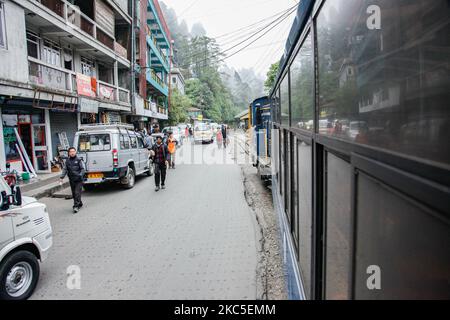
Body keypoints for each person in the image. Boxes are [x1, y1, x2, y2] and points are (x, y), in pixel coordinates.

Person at [60, 147, 86, 213]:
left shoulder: (79, 160)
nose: (72, 153)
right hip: (72, 180)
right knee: (74, 194)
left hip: (79, 180)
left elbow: (83, 169)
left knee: (77, 193)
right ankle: (79, 203)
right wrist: (61, 177)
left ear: (75, 152)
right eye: (71, 151)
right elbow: (65, 169)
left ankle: (75, 206)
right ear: (69, 153)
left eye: (73, 151)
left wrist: (80, 175)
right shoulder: (67, 161)